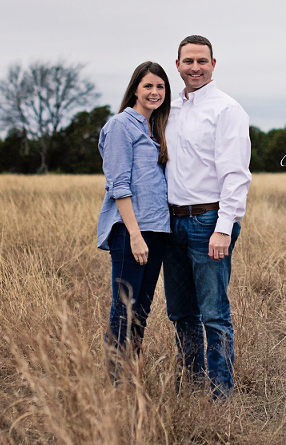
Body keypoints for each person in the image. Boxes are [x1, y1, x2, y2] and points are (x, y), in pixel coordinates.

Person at [163, 35, 251, 399]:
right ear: (178, 65)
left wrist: (223, 229)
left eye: (202, 61)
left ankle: (221, 393)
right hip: (171, 223)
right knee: (182, 313)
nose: (194, 67)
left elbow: (235, 175)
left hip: (208, 221)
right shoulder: (171, 110)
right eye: (188, 61)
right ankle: (193, 382)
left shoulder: (226, 109)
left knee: (214, 314)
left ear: (214, 64)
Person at [96, 61, 172, 380]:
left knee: (141, 307)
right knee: (123, 307)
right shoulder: (120, 125)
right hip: (131, 232)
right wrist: (135, 235)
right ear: (135, 89)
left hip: (157, 231)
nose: (154, 92)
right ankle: (114, 380)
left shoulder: (154, 128)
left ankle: (133, 370)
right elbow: (118, 185)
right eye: (148, 86)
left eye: (160, 87)